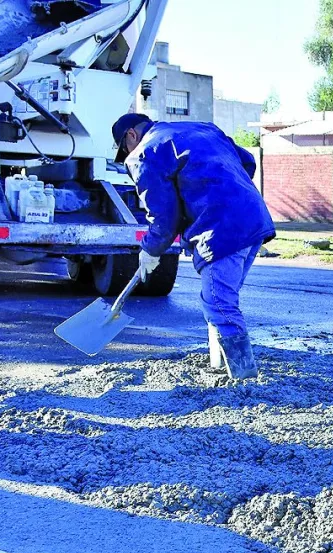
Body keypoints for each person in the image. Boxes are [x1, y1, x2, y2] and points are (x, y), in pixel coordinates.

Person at [111, 112, 275, 380]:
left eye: (124, 148)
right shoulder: (203, 129)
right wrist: (223, 193)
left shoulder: (145, 152)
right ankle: (220, 364)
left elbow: (164, 216)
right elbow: (247, 161)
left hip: (220, 227)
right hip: (254, 218)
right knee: (220, 298)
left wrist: (150, 249)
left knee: (219, 303)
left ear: (131, 135)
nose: (127, 154)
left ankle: (244, 376)